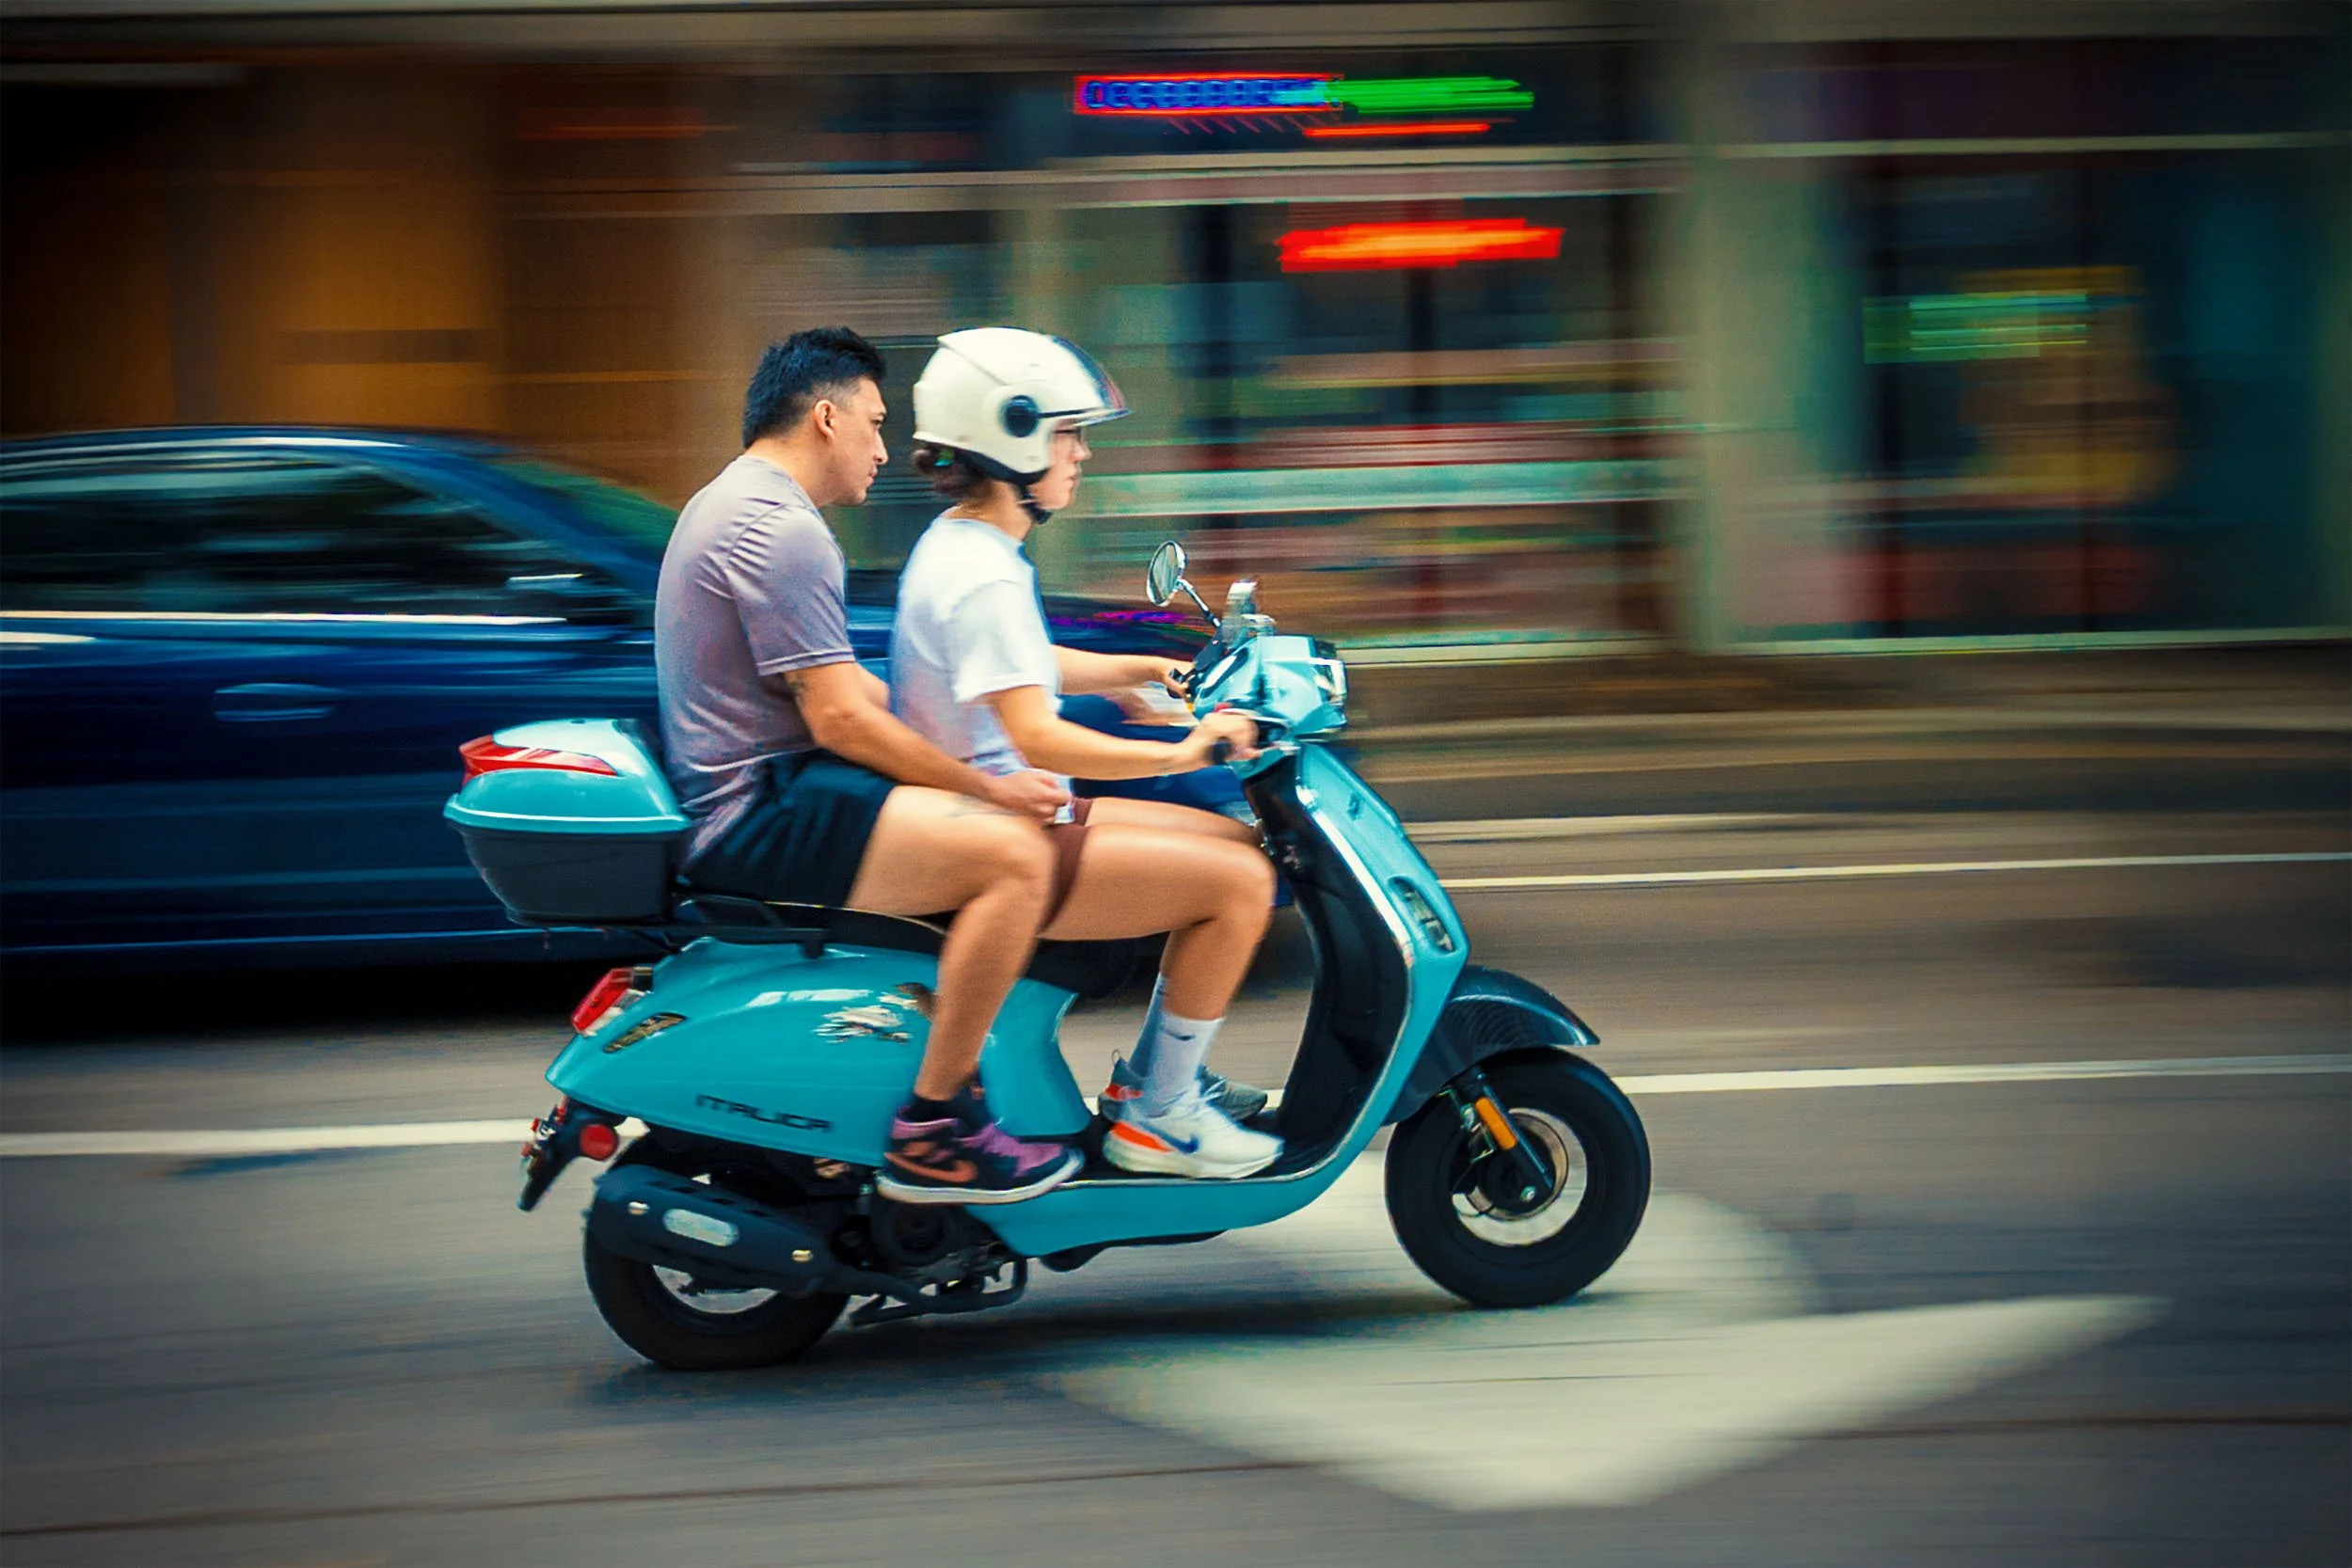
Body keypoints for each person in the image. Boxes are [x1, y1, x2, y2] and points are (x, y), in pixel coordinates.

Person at [654, 326, 1082, 1207]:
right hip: (759, 809)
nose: (886, 451)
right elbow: (844, 717)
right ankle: (937, 1123)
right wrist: (987, 784)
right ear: (823, 418)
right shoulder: (782, 529)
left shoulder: (729, 503)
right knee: (1014, 853)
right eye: (875, 424)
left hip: (760, 791)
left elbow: (848, 693)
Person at [891, 327, 1282, 1180]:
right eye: (1067, 433)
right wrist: (1187, 752)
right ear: (1012, 431)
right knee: (1245, 883)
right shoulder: (983, 570)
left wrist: (1144, 667)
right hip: (1013, 831)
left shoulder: (967, 545)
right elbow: (1038, 733)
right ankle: (1161, 1117)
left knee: (1239, 844)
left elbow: (1023, 666)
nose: (1082, 452)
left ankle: (1159, 1077)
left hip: (1016, 810)